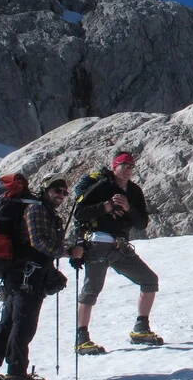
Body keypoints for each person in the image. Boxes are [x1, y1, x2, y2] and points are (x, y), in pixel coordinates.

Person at [0, 174, 70, 380]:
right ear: (45, 189)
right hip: (28, 276)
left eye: (65, 193)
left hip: (18, 274)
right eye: (57, 190)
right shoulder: (37, 209)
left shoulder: (36, 209)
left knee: (8, 323)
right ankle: (17, 375)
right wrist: (65, 252)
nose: (61, 196)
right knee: (23, 324)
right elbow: (38, 242)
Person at [69, 152, 162, 354]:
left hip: (119, 245)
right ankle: (81, 337)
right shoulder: (102, 186)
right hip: (98, 243)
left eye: (131, 166)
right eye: (124, 165)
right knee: (91, 290)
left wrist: (128, 208)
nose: (128, 169)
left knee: (149, 280)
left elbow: (142, 223)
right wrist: (106, 207)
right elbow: (80, 212)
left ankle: (141, 327)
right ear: (114, 166)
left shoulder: (134, 191)